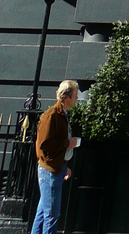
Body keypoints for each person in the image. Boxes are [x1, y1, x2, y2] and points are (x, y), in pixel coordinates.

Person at [31, 79, 79, 234]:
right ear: (66, 97)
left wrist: (65, 165)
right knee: (51, 214)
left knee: (43, 213)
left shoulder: (62, 114)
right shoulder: (51, 115)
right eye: (75, 95)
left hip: (56, 168)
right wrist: (67, 143)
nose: (77, 98)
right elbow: (45, 143)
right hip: (49, 171)